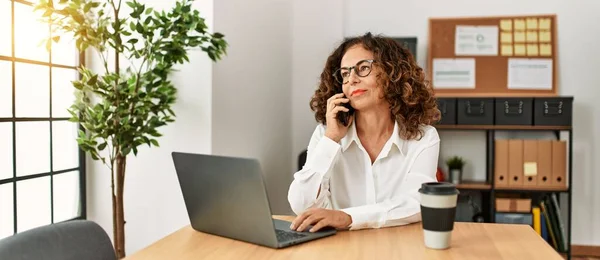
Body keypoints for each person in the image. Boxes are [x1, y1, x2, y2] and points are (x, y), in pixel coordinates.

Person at [287, 32, 441, 233]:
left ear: (392, 74)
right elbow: (301, 204)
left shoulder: (424, 137)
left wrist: (349, 217)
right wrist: (331, 139)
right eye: (344, 73)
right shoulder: (326, 134)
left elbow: (418, 201)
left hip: (399, 248)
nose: (351, 79)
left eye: (363, 68)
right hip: (341, 249)